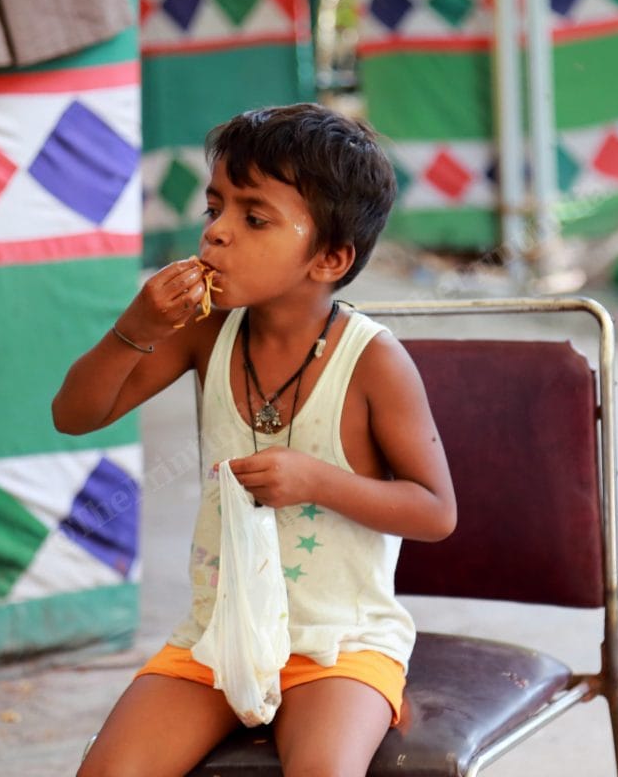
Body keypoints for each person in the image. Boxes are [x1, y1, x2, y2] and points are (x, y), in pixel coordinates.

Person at [57, 103, 456, 777]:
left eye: (254, 217)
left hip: (339, 644)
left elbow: (435, 510)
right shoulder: (203, 333)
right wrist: (137, 325)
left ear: (329, 257)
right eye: (215, 208)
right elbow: (75, 413)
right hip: (219, 636)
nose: (215, 234)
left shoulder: (373, 362)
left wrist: (319, 481)